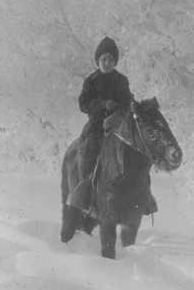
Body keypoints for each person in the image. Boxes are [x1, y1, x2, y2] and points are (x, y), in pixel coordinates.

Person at [67, 36, 157, 215]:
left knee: (139, 153)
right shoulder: (90, 81)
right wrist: (102, 104)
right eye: (103, 59)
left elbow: (127, 102)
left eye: (111, 59)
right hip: (96, 126)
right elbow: (83, 103)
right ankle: (85, 197)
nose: (107, 63)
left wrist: (117, 116)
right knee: (87, 151)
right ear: (97, 61)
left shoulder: (122, 80)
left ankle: (144, 197)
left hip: (119, 125)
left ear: (115, 62)